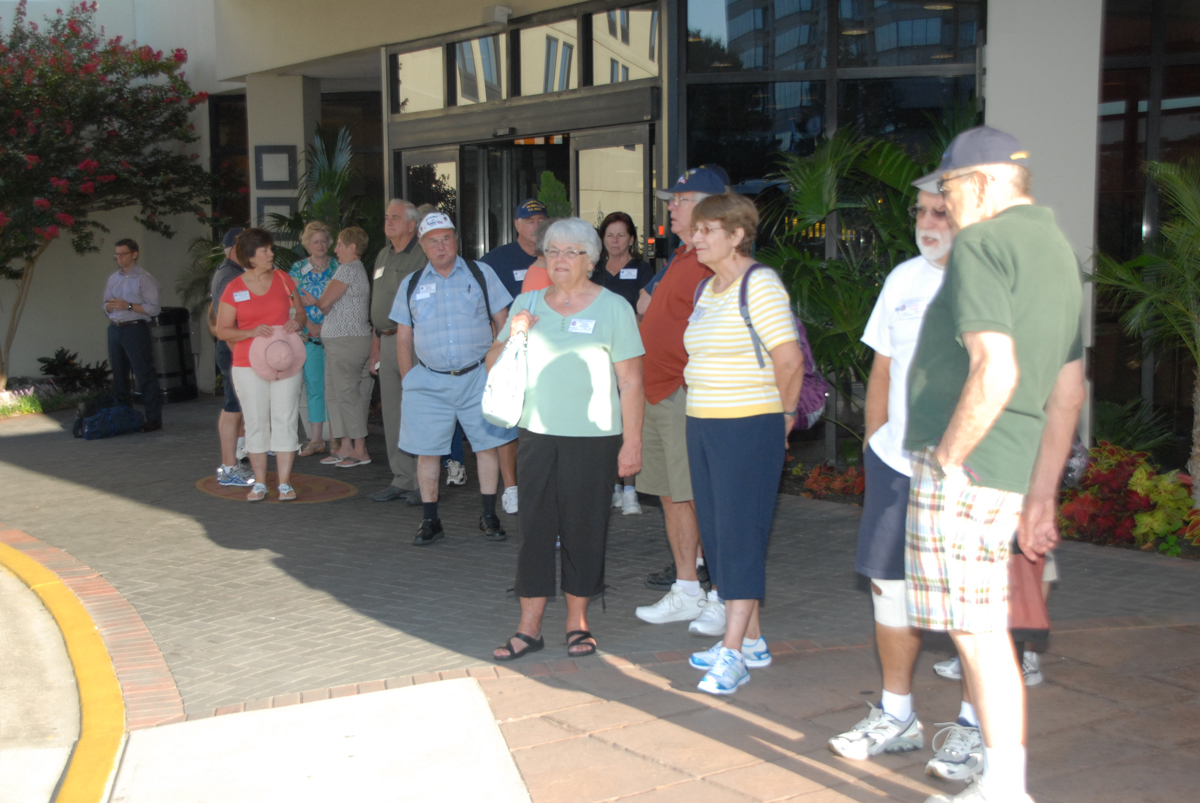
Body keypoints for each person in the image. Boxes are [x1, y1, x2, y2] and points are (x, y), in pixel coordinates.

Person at [904, 126, 1085, 803]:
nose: (943, 207)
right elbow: (1068, 394)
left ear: (981, 182)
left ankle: (1005, 787)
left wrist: (950, 457)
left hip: (970, 468)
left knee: (978, 635)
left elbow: (996, 369)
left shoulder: (982, 242)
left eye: (947, 190)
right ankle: (1001, 778)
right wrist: (1041, 495)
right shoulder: (1060, 253)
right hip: (1007, 472)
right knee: (984, 632)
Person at [827, 188, 978, 770]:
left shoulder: (989, 279)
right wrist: (872, 445)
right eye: (920, 210)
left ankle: (972, 725)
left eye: (941, 210)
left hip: (966, 471)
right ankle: (897, 715)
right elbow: (882, 367)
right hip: (895, 464)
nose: (927, 222)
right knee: (888, 589)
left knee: (968, 601)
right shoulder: (904, 278)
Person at [487, 218, 645, 661]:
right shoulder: (528, 301)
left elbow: (632, 382)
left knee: (585, 529)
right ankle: (528, 628)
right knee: (534, 529)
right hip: (537, 433)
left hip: (595, 437)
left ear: (590, 260)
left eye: (568, 252)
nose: (557, 259)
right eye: (551, 251)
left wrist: (632, 442)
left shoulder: (614, 307)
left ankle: (578, 623)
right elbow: (491, 364)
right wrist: (515, 331)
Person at [680, 194, 803, 694]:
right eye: (695, 229)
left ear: (737, 235)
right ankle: (751, 641)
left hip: (748, 426)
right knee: (717, 535)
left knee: (740, 535)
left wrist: (785, 418)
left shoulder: (761, 284)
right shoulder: (706, 290)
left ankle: (732, 654)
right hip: (704, 424)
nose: (696, 237)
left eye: (709, 229)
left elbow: (789, 359)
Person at [632, 166, 726, 631]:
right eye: (671, 199)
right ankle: (688, 590)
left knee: (699, 498)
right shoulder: (683, 257)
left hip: (684, 397)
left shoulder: (715, 261)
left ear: (711, 206)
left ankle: (721, 595)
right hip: (658, 394)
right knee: (672, 496)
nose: (671, 206)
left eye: (681, 199)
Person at [392, 213, 516, 546]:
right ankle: (430, 520)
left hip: (478, 376)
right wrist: (409, 382)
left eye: (446, 238)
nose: (441, 245)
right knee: (427, 452)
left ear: (456, 240)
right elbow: (403, 338)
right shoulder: (411, 283)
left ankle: (489, 514)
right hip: (428, 382)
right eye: (433, 240)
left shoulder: (480, 273)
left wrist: (499, 371)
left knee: (487, 446)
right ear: (423, 245)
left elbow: (502, 322)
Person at [215, 228, 310, 501]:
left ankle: (284, 483)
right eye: (265, 250)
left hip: (286, 360)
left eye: (270, 248)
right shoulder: (234, 287)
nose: (271, 253)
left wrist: (297, 322)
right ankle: (259, 482)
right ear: (250, 256)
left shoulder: (284, 279)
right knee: (256, 421)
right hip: (247, 363)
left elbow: (301, 313)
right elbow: (222, 330)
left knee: (286, 418)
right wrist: (250, 332)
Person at [481, 198, 548, 514]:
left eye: (540, 220)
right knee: (507, 421)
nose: (536, 226)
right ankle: (510, 487)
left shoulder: (554, 257)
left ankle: (539, 487)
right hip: (509, 346)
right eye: (529, 221)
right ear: (517, 225)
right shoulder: (497, 259)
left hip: (545, 354)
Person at [591, 211, 655, 515]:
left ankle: (630, 489)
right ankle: (612, 485)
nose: (615, 241)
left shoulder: (642, 270)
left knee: (630, 419)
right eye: (609, 235)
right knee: (607, 419)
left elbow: (645, 313)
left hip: (629, 353)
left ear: (631, 238)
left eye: (621, 234)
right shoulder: (594, 271)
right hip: (599, 355)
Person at [368, 200, 425, 502]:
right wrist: (375, 343)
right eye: (386, 217)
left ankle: (422, 481)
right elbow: (378, 302)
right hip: (386, 339)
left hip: (413, 340)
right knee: (392, 412)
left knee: (417, 409)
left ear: (412, 224)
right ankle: (401, 478)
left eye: (395, 218)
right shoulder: (382, 255)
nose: (388, 222)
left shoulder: (422, 254)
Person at [302, 226, 374, 468]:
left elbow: (325, 303)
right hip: (337, 343)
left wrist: (316, 301)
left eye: (340, 245)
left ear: (352, 248)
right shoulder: (350, 270)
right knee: (335, 394)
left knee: (348, 395)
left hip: (347, 342)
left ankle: (360, 449)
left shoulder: (348, 269)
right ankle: (345, 446)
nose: (335, 249)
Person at [209, 227, 254, 487]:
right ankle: (229, 468)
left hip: (234, 349)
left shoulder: (231, 273)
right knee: (232, 408)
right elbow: (229, 322)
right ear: (237, 247)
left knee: (234, 407)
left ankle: (233, 463)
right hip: (234, 350)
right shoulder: (229, 277)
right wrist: (241, 356)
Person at [103, 238, 164, 432]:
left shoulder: (144, 278)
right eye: (117, 254)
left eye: (123, 254)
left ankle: (153, 418)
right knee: (120, 376)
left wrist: (128, 305)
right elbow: (105, 303)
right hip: (116, 328)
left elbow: (154, 309)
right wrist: (108, 306)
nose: (119, 258)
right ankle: (124, 416)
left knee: (144, 374)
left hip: (135, 328)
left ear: (134, 254)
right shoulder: (114, 278)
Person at [289, 221, 339, 458]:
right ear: (307, 244)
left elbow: (346, 303)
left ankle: (338, 439)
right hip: (309, 337)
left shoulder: (339, 267)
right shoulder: (297, 269)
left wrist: (325, 326)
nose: (320, 245)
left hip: (337, 333)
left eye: (323, 241)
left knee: (337, 388)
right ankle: (317, 439)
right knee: (315, 388)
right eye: (315, 241)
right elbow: (291, 301)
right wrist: (310, 326)